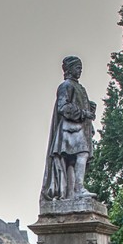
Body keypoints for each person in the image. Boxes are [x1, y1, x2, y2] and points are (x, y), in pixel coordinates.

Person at [41, 55, 97, 202]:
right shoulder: (66, 85)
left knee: (72, 161)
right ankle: (78, 189)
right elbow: (63, 107)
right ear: (70, 69)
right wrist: (83, 113)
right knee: (81, 155)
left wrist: (89, 112)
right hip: (70, 130)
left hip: (78, 129)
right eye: (77, 68)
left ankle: (72, 192)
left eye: (81, 68)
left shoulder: (79, 87)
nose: (80, 71)